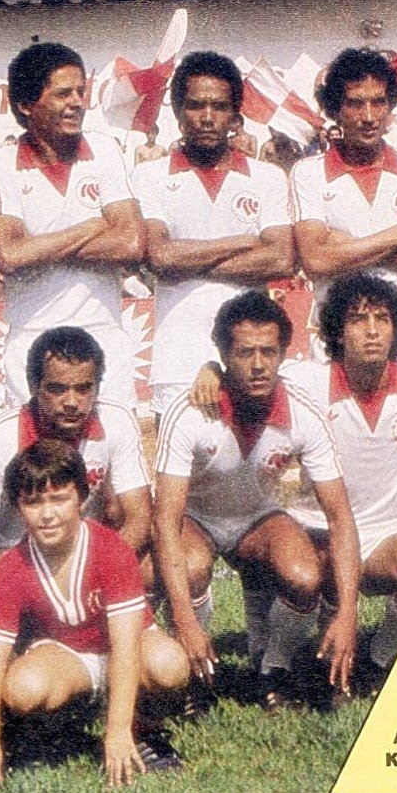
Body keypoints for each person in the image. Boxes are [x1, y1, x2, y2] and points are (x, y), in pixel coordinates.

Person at [153, 292, 359, 708]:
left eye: (269, 351)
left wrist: (348, 613)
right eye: (245, 352)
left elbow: (340, 517)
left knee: (305, 576)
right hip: (197, 519)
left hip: (257, 517)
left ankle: (273, 670)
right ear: (223, 355)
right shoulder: (190, 412)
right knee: (190, 567)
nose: (259, 364)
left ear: (283, 352)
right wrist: (184, 619)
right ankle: (196, 675)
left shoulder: (304, 413)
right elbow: (165, 521)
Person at [0, 440, 188, 787]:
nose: (47, 514)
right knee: (24, 688)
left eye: (59, 499)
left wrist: (117, 731)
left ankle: (144, 730)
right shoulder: (11, 568)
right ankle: (58, 730)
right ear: (17, 506)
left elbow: (126, 649)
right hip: (68, 656)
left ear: (82, 498)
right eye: (33, 502)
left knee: (168, 664)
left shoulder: (111, 550)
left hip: (125, 649)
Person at [277, 275, 397, 684]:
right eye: (357, 319)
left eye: (382, 319)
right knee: (313, 583)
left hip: (384, 535)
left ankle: (377, 659)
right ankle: (277, 667)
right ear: (337, 332)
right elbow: (251, 368)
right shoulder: (308, 381)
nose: (372, 330)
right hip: (318, 530)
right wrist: (210, 371)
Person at [131, 51, 294, 419]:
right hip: (178, 356)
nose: (207, 117)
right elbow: (159, 257)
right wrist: (244, 242)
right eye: (196, 106)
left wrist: (185, 261)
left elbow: (281, 259)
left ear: (235, 116)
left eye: (219, 107)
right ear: (177, 112)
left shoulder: (267, 177)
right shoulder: (149, 176)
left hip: (250, 358)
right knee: (178, 458)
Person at [0, 42, 143, 406]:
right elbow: (9, 256)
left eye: (80, 92)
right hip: (32, 337)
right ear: (26, 105)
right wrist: (92, 226)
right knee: (35, 445)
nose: (77, 103)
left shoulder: (104, 150)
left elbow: (131, 244)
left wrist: (37, 246)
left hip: (103, 334)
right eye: (63, 94)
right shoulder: (2, 161)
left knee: (111, 442)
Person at [0, 327, 153, 630]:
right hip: (17, 558)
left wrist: (92, 574)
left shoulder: (117, 421)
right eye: (58, 389)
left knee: (157, 568)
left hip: (90, 556)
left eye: (84, 389)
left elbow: (139, 519)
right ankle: (12, 651)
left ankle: (127, 641)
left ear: (98, 387)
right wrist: (42, 589)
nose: (72, 401)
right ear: (33, 385)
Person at [290, 48, 397, 369]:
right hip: (337, 338)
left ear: (391, 106)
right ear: (335, 109)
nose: (369, 116)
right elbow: (316, 261)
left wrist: (346, 245)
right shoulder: (309, 171)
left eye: (378, 102)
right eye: (355, 103)